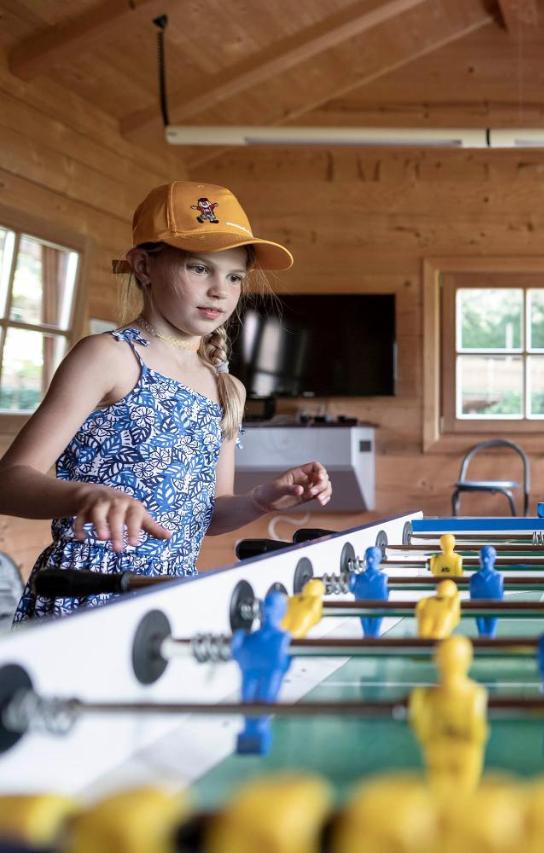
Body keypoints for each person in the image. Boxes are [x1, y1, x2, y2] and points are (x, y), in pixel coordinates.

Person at [0, 182, 331, 622]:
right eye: (199, 269)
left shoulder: (226, 387)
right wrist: (86, 495)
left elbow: (205, 514)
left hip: (168, 602)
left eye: (234, 277)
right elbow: (9, 481)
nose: (220, 290)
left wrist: (261, 501)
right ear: (143, 267)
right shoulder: (110, 357)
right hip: (83, 600)